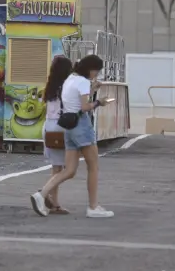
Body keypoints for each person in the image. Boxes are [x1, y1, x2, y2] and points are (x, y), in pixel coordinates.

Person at [30, 54, 114, 219]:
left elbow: (75, 100)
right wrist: (99, 102)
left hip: (68, 126)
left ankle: (42, 194)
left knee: (69, 170)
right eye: (96, 72)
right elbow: (84, 106)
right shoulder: (82, 81)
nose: (95, 75)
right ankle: (93, 206)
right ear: (91, 69)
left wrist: (92, 90)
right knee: (93, 167)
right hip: (81, 125)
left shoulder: (70, 79)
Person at [41, 55, 73, 215]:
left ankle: (55, 204)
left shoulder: (50, 86)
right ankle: (44, 193)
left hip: (48, 126)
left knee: (56, 167)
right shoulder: (66, 87)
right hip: (61, 127)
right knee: (68, 168)